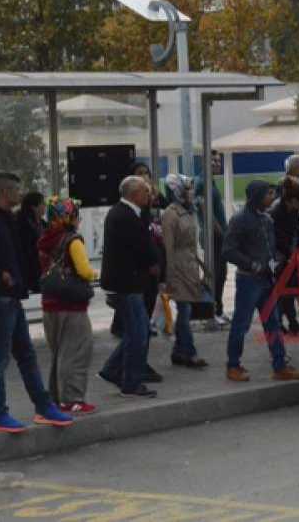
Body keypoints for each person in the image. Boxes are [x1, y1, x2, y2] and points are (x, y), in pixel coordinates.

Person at [0, 171, 73, 432]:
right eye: (16, 190)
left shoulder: (8, 220)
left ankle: (43, 407)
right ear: (4, 193)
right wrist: (0, 275)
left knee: (26, 355)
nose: (20, 194)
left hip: (11, 298)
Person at [222, 180, 299, 382]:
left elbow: (272, 247)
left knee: (273, 323)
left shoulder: (267, 219)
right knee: (241, 324)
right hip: (248, 280)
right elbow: (228, 250)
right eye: (268, 194)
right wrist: (252, 264)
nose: (272, 197)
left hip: (267, 280)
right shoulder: (239, 220)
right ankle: (233, 365)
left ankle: (280, 365)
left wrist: (275, 262)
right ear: (256, 196)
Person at [98, 176, 161, 399]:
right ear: (134, 194)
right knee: (138, 334)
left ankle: (112, 370)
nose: (149, 195)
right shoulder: (124, 216)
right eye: (145, 191)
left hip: (129, 283)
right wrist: (152, 262)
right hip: (125, 284)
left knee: (137, 332)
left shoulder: (129, 213)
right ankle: (131, 383)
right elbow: (141, 246)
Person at [37, 196, 98, 416]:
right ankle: (73, 400)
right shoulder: (73, 240)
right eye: (75, 215)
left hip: (50, 304)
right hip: (71, 306)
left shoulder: (45, 239)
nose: (78, 220)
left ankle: (56, 398)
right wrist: (94, 274)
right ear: (68, 217)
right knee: (77, 351)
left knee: (59, 353)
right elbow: (83, 270)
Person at [162, 174, 210, 369]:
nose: (191, 192)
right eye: (187, 189)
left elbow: (192, 244)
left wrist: (202, 267)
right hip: (178, 268)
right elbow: (168, 248)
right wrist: (169, 277)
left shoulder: (190, 211)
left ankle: (178, 352)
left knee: (186, 310)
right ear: (177, 192)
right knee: (184, 311)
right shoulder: (170, 214)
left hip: (190, 267)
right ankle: (190, 352)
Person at [269, 177, 299, 337]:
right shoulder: (276, 213)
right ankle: (278, 324)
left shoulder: (293, 211)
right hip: (278, 259)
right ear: (293, 200)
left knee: (289, 292)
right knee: (279, 292)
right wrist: (289, 256)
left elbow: (296, 233)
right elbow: (276, 240)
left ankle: (292, 323)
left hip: (290, 256)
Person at [195, 151, 229, 325]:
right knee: (216, 275)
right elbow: (205, 210)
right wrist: (221, 233)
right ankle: (211, 312)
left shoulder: (210, 181)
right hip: (213, 236)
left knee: (220, 274)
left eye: (218, 161)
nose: (216, 163)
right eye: (213, 161)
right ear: (204, 162)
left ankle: (217, 310)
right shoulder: (202, 183)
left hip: (218, 235)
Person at [16, 191, 46, 294]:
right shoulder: (22, 223)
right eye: (42, 203)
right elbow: (25, 250)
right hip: (29, 273)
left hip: (42, 270)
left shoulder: (43, 223)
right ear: (34, 207)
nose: (45, 206)